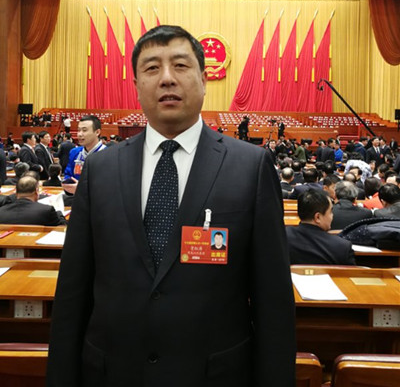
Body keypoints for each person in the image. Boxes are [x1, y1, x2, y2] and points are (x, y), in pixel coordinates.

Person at [47, 25, 296, 387]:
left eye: (180, 65)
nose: (166, 78)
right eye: (152, 68)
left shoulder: (250, 167)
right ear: (136, 86)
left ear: (204, 79)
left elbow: (273, 300)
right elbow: (73, 290)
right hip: (112, 372)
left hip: (215, 375)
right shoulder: (101, 168)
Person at [286, 189, 355, 265]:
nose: (332, 216)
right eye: (331, 212)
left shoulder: (282, 238)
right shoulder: (342, 247)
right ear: (317, 217)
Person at [63, 115, 107, 195]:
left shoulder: (109, 154)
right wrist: (68, 184)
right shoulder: (74, 152)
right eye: (78, 130)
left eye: (84, 130)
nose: (79, 134)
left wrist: (82, 189)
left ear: (97, 132)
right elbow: (68, 174)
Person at [0, 176, 66, 225]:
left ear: (16, 193)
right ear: (36, 192)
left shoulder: (1, 211)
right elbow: (62, 228)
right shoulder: (47, 210)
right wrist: (58, 211)